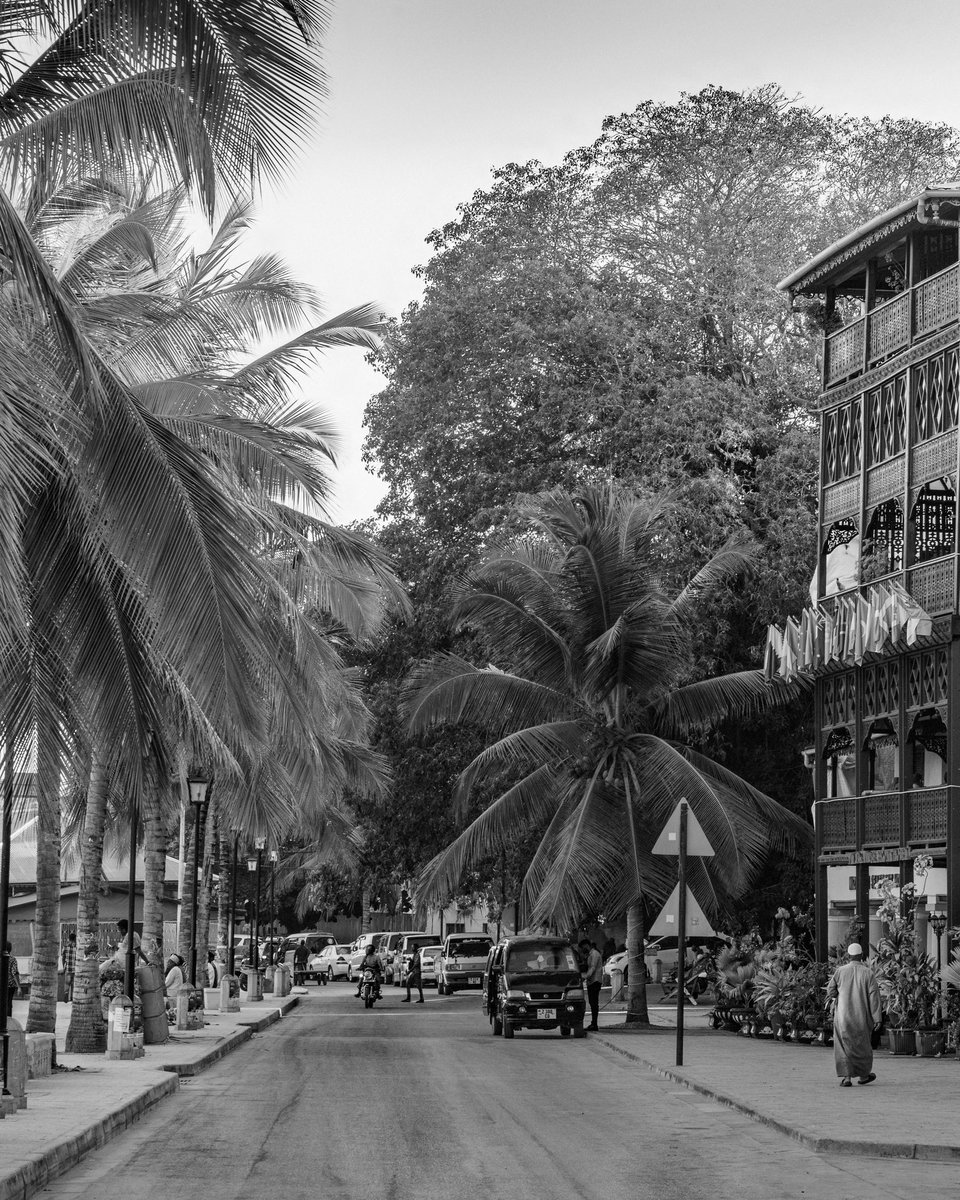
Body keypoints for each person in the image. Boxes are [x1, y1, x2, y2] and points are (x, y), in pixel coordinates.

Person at [826, 942, 882, 1087]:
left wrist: (836, 997)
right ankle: (863, 1076)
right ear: (862, 956)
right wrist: (877, 1018)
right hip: (861, 1016)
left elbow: (830, 990)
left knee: (843, 1045)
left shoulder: (840, 971)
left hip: (843, 1016)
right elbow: (874, 997)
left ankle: (847, 1078)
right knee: (862, 1045)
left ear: (848, 956)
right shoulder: (868, 973)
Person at [579, 938, 603, 1032]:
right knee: (592, 1003)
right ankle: (593, 1023)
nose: (583, 949)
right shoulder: (590, 955)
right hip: (591, 981)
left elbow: (592, 968)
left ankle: (594, 1024)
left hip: (595, 981)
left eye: (583, 947)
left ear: (587, 945)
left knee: (594, 1003)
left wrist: (585, 977)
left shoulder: (595, 954)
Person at [5, 943, 19, 1017]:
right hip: (10, 985)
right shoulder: (12, 959)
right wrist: (19, 987)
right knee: (9, 1003)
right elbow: (14, 973)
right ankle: (8, 1020)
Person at [63, 932, 77, 1002]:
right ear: (75, 939)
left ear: (69, 938)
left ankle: (66, 994)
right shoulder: (77, 947)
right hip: (76, 968)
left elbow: (63, 957)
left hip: (68, 968)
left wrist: (63, 967)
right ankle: (72, 997)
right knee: (74, 983)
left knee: (67, 983)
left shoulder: (65, 946)